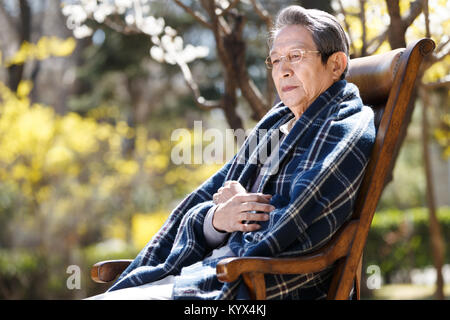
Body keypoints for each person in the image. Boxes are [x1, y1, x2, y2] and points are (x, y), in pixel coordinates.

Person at [87, 5, 375, 300]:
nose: (283, 70)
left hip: (244, 285)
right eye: (276, 60)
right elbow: (209, 202)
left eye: (296, 56)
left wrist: (240, 208)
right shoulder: (275, 126)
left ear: (336, 64)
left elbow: (295, 222)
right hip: (202, 272)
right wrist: (216, 219)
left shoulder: (344, 124)